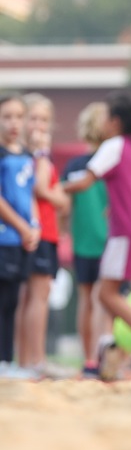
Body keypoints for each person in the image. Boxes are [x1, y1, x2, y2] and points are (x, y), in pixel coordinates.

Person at [62, 93, 131, 381]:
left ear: (115, 121)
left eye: (105, 118)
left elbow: (85, 180)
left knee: (105, 293)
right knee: (111, 292)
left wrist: (57, 188)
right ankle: (107, 348)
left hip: (125, 231)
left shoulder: (113, 145)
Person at [15, 94, 70, 376]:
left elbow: (61, 198)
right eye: (33, 118)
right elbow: (41, 189)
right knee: (32, 296)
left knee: (38, 295)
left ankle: (31, 359)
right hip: (35, 231)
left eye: (44, 120)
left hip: (48, 231)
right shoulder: (30, 156)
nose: (38, 125)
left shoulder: (42, 156)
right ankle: (32, 360)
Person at [61, 101, 109, 378]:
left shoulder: (113, 162)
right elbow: (66, 206)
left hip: (109, 240)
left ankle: (103, 356)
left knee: (102, 297)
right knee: (88, 298)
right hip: (84, 241)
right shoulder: (76, 166)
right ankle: (90, 358)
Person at [0, 94, 39, 377]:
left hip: (21, 240)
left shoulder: (26, 154)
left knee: (14, 301)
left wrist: (33, 226)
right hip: (4, 237)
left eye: (18, 116)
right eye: (7, 116)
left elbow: (30, 194)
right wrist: (21, 226)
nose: (14, 123)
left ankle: (7, 362)